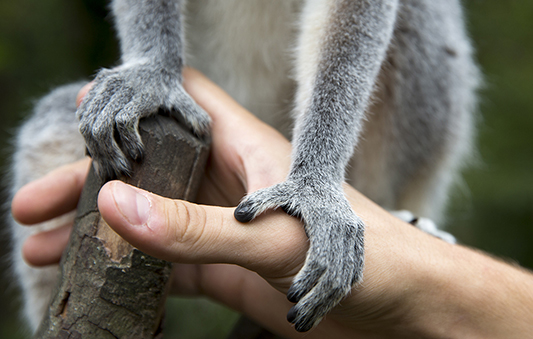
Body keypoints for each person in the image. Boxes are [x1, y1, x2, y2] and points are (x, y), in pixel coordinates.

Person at [12, 69, 533, 338]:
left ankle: (388, 215)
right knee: (55, 130)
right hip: (204, 135)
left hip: (355, 155)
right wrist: (155, 63)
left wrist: (318, 176)